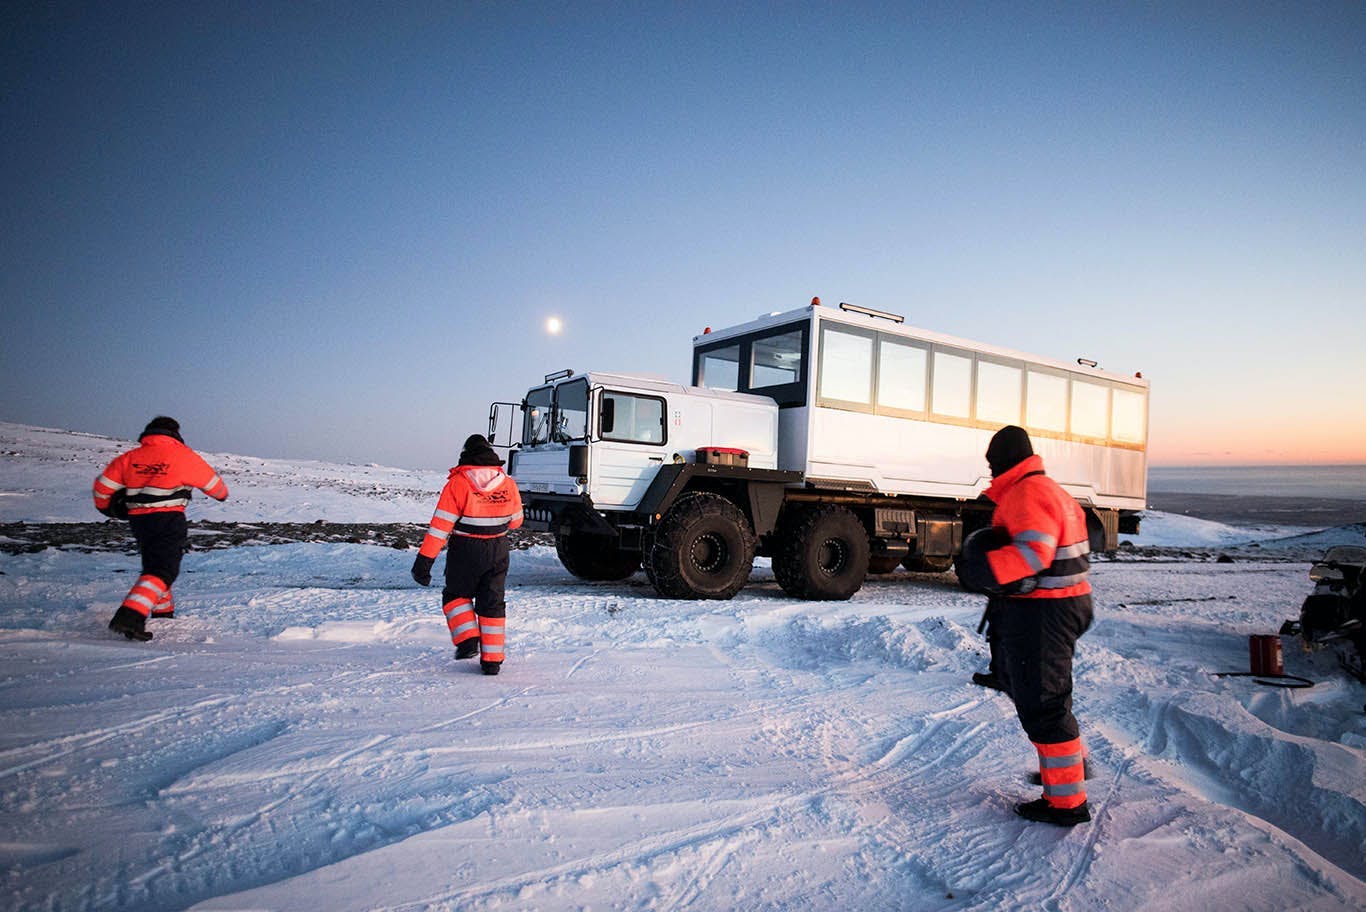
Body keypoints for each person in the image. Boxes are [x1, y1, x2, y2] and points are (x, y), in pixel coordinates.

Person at [958, 425, 1093, 826]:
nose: (990, 469)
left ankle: (1067, 802)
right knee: (1047, 697)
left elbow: (1034, 554)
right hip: (1065, 605)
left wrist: (984, 569)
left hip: (1045, 612)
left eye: (992, 462)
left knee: (1044, 707)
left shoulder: (1026, 493)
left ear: (1004, 460)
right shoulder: (1051, 489)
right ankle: (1066, 774)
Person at [93, 417, 229, 641]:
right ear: (175, 434)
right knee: (163, 569)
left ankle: (163, 613)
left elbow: (102, 488)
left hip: (139, 521)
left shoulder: (129, 458)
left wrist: (109, 510)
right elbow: (218, 490)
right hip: (168, 518)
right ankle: (130, 615)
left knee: (154, 563)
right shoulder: (184, 457)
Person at [411, 434, 523, 675]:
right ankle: (492, 662)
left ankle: (468, 640)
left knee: (455, 595)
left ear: (466, 455)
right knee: (492, 603)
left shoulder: (458, 483)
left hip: (465, 549)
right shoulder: (508, 484)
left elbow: (441, 526)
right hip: (498, 549)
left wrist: (424, 561)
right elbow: (516, 522)